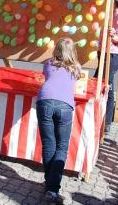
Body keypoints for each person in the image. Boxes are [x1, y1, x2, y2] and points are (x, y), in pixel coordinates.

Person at [36, 38, 81, 204]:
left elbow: (49, 78)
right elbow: (73, 89)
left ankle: (50, 184)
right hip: (64, 105)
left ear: (56, 50)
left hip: (44, 101)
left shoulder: (48, 63)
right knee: (61, 147)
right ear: (72, 52)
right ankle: (53, 189)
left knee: (49, 145)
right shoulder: (76, 68)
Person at [94, 0, 118, 133]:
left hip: (112, 56)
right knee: (97, 83)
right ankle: (99, 117)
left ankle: (107, 123)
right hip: (103, 53)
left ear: (115, 1)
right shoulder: (110, 13)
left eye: (109, 0)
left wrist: (113, 35)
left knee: (107, 87)